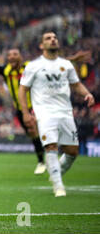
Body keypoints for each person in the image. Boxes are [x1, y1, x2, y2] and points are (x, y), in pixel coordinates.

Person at [0, 45, 90, 175]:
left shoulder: (30, 67)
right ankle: (43, 160)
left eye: (15, 54)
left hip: (37, 106)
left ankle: (48, 159)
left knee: (36, 129)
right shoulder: (6, 70)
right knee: (33, 135)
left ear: (20, 57)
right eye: (9, 55)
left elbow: (51, 64)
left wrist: (72, 59)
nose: (12, 57)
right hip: (20, 109)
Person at [18, 32, 95, 197]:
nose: (53, 39)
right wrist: (25, 112)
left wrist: (87, 94)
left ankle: (55, 173)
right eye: (48, 38)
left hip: (65, 112)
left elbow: (76, 84)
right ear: (41, 45)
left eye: (54, 37)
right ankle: (59, 187)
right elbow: (22, 88)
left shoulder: (66, 65)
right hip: (44, 112)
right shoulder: (33, 66)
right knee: (51, 146)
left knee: (72, 151)